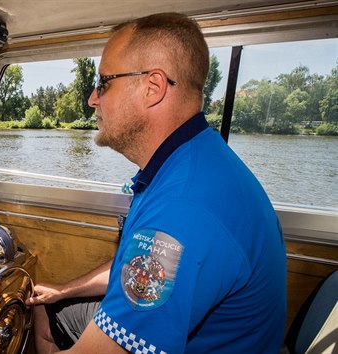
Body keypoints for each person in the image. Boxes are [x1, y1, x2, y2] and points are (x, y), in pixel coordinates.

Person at [25, 12, 287, 354]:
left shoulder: (181, 209)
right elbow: (138, 269)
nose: (93, 98)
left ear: (152, 87)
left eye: (104, 82)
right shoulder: (192, 160)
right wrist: (64, 289)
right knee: (49, 307)